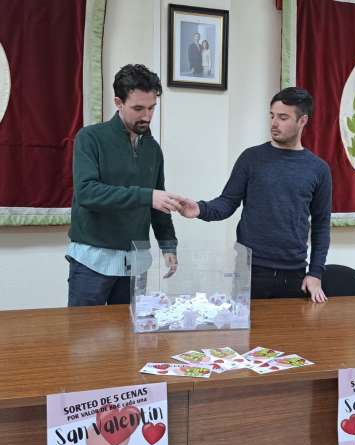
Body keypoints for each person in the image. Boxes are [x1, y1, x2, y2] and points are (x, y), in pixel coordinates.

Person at [178, 87, 332, 302]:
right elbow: (227, 203)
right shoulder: (251, 158)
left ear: (302, 121)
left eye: (283, 118)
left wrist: (315, 273)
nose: (274, 123)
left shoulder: (318, 169)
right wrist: (199, 209)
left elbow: (321, 224)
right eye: (272, 116)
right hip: (250, 270)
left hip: (294, 273)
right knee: (245, 326)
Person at [66, 64, 183, 307]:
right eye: (138, 108)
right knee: (83, 331)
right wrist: (147, 196)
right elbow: (87, 193)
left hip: (135, 263)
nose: (147, 116)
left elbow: (158, 202)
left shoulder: (153, 149)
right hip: (92, 262)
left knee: (129, 330)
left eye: (152, 108)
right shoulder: (90, 138)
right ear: (118, 103)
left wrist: (168, 245)